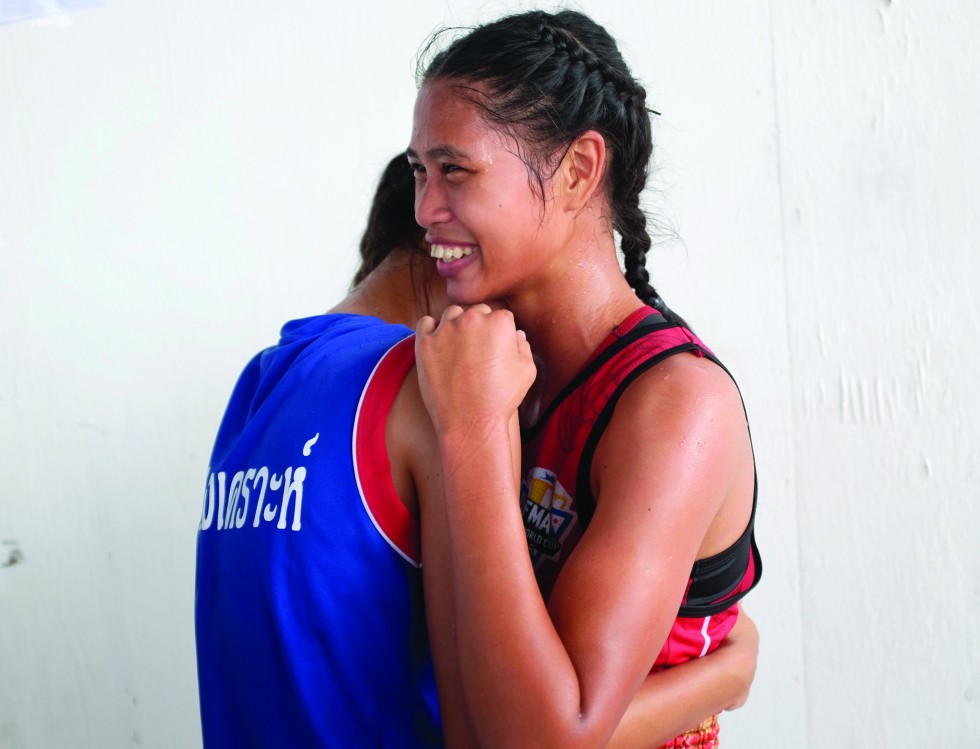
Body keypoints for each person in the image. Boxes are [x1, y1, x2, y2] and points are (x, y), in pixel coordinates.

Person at [195, 154, 757, 748]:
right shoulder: (428, 393)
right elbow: (499, 740)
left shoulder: (260, 383)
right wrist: (719, 678)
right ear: (448, 253)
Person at [409, 9, 762, 749]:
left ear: (576, 170)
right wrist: (717, 678)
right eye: (419, 173)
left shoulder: (677, 404)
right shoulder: (483, 362)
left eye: (455, 171)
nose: (425, 210)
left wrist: (471, 434)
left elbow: (547, 740)